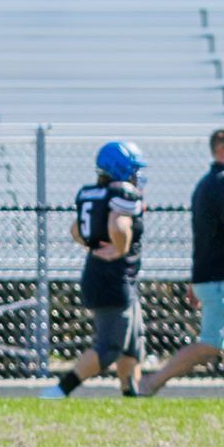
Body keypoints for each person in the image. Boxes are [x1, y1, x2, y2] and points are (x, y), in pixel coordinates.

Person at [38, 141, 146, 400]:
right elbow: (118, 224)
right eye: (134, 168)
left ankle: (131, 395)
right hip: (113, 277)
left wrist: (92, 245)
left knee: (133, 343)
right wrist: (118, 249)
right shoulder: (122, 192)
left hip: (106, 274)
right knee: (110, 346)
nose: (137, 174)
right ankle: (59, 391)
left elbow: (76, 229)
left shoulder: (93, 193)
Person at [141, 129, 224, 398]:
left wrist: (196, 280)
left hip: (218, 279)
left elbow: (205, 237)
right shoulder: (223, 183)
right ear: (223, 150)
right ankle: (151, 382)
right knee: (212, 345)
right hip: (220, 281)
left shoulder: (208, 183)